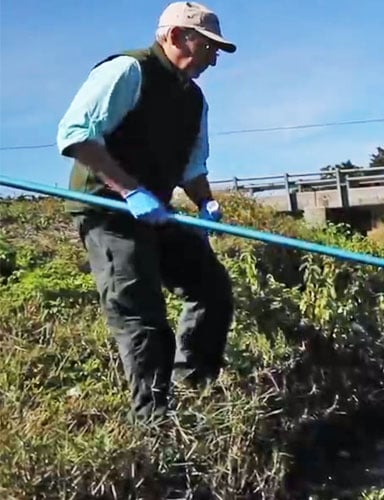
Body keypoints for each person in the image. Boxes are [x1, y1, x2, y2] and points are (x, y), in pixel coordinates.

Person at [55, 1, 237, 423]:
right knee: (141, 317)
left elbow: (192, 165)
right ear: (175, 36)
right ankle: (152, 423)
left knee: (211, 288)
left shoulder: (194, 100)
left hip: (155, 211)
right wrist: (132, 191)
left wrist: (205, 201)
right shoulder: (127, 72)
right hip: (108, 209)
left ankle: (192, 388)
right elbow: (75, 134)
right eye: (207, 47)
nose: (213, 59)